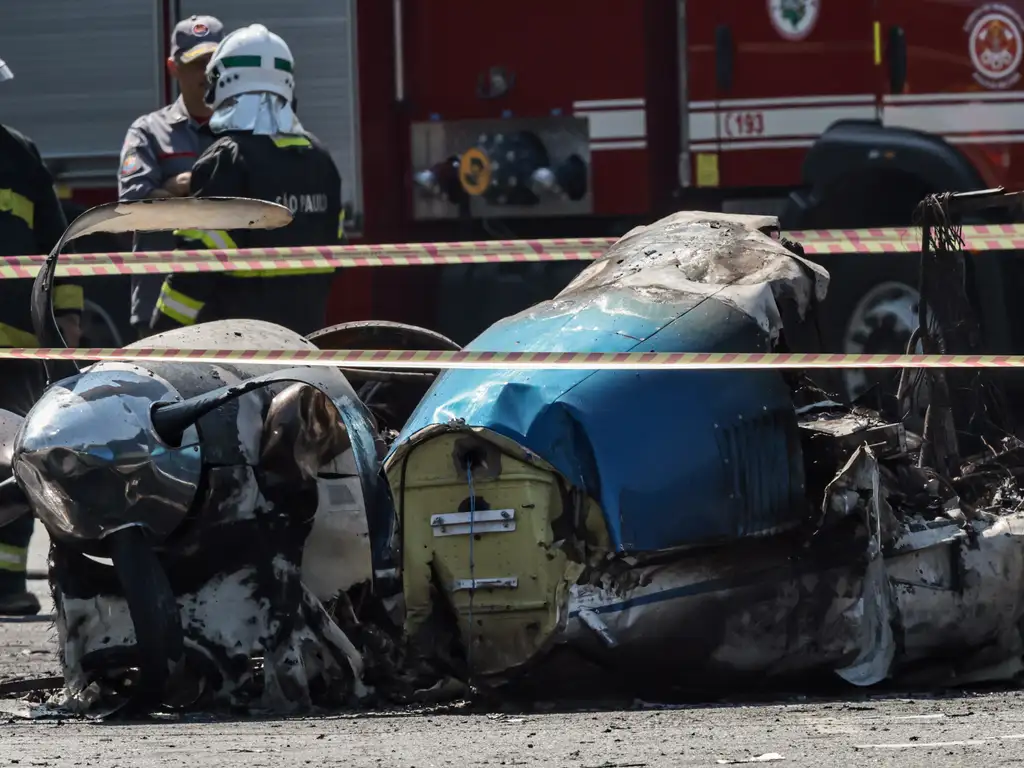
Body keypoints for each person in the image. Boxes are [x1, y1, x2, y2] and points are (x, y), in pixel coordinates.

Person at [149, 23, 339, 337]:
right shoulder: (320, 157)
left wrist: (159, 337)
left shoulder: (225, 159)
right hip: (304, 340)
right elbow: (337, 252)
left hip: (234, 350)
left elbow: (195, 268)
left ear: (224, 83)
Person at [0, 56, 84, 615]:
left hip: (14, 346)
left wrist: (68, 318)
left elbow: (59, 243)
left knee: (14, 460)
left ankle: (6, 583)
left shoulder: (19, 154)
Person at [118, 15, 225, 339]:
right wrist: (204, 188)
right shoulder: (148, 132)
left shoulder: (244, 132)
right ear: (172, 67)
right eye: (195, 64)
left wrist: (174, 188)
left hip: (229, 308)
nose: (206, 74)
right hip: (161, 311)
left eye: (212, 62)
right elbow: (134, 207)